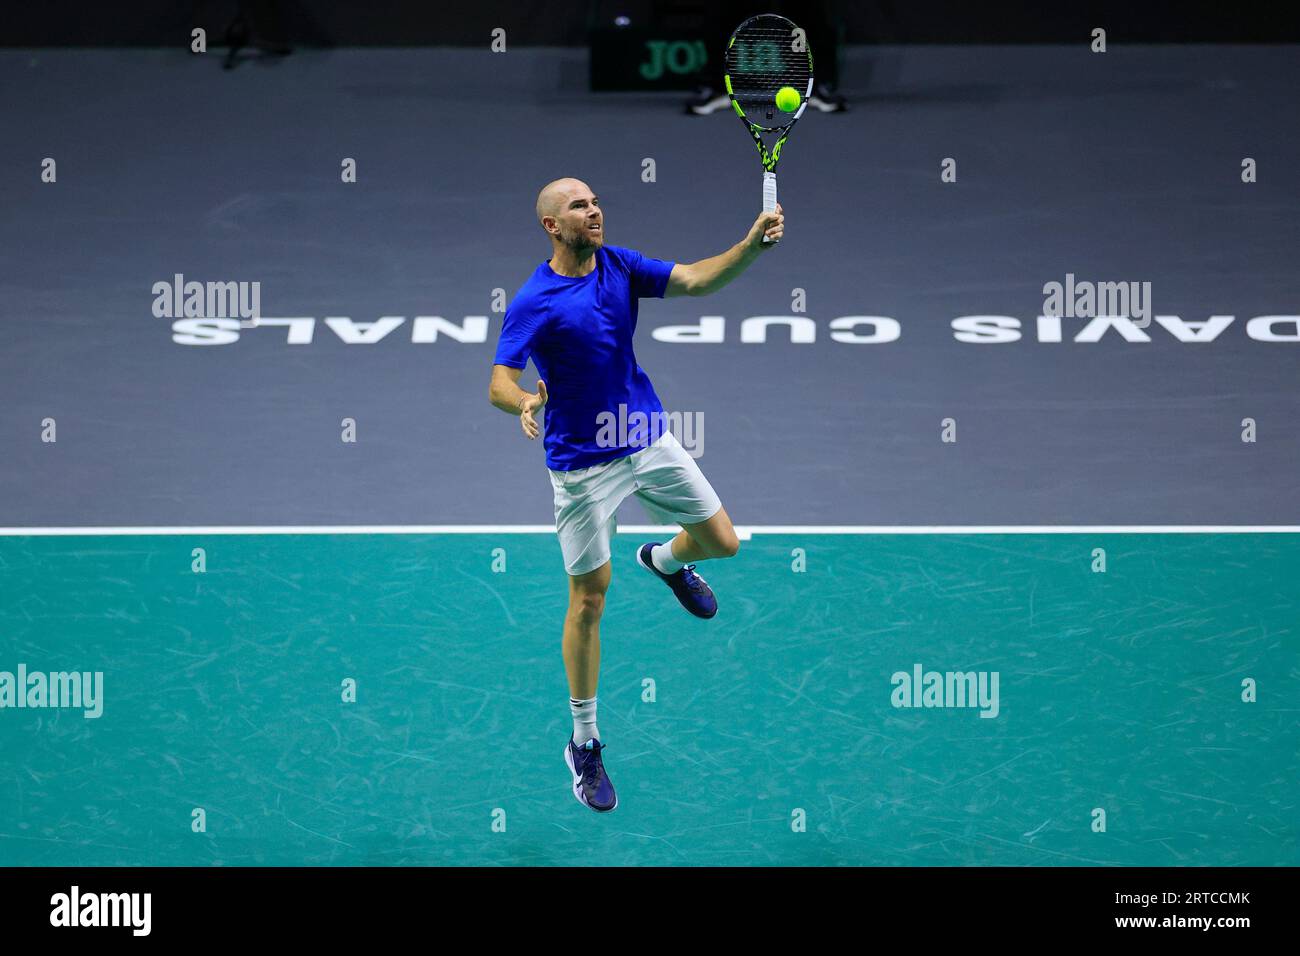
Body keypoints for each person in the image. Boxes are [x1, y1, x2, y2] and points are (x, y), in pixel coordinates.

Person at [488, 178, 784, 812]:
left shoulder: (620, 265)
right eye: (578, 206)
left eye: (595, 202)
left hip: (645, 438)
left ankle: (666, 560)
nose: (593, 211)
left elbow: (700, 279)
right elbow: (498, 383)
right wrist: (525, 401)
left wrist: (751, 245)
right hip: (581, 466)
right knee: (590, 598)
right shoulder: (534, 301)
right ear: (550, 226)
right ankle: (585, 743)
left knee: (723, 542)